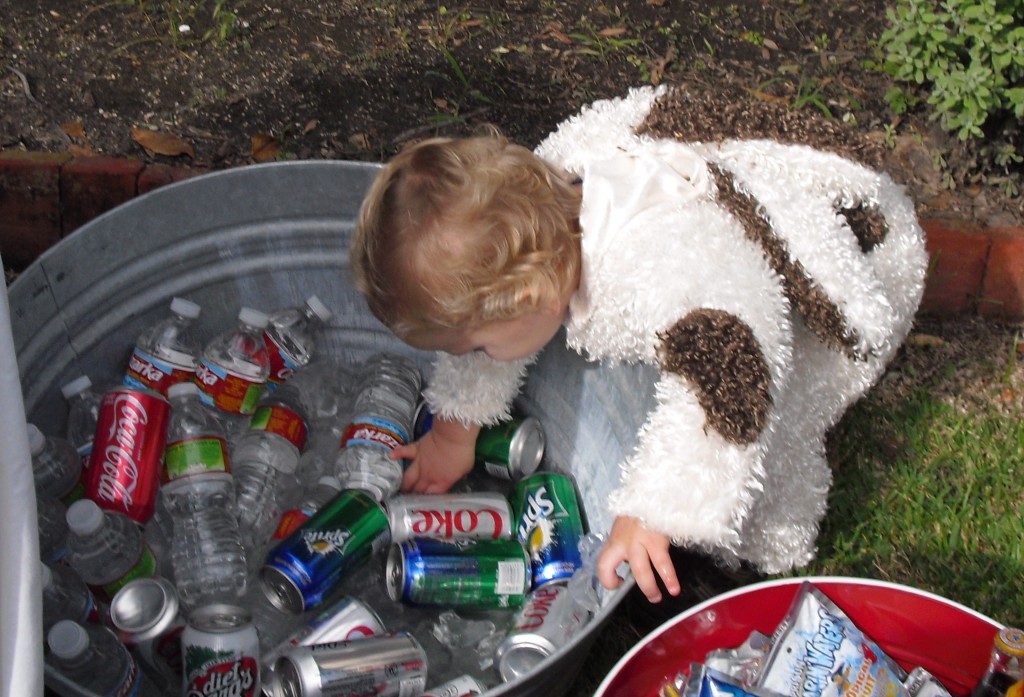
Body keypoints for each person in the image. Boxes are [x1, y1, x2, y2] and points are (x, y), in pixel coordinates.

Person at [350, 85, 928, 609]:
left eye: (474, 348)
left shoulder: (655, 273)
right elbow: (495, 315)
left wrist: (654, 511)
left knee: (781, 408)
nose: (471, 358)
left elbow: (732, 377)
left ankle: (773, 541)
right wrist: (456, 432)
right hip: (725, 248)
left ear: (536, 297)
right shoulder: (542, 205)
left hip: (855, 254)